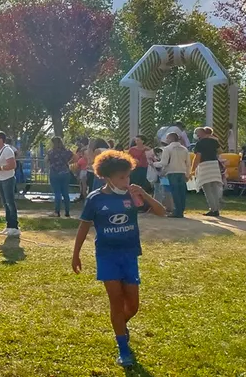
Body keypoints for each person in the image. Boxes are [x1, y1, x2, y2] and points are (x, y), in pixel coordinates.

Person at [72, 149, 167, 368]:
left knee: (132, 306)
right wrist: (75, 254)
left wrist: (145, 194)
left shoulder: (132, 195)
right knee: (115, 302)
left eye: (128, 176)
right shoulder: (96, 199)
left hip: (129, 254)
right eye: (121, 177)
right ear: (107, 177)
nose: (126, 181)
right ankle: (123, 348)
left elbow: (162, 212)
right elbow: (83, 226)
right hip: (107, 256)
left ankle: (120, 327)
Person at [190, 127, 223, 217]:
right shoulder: (214, 141)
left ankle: (213, 209)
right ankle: (217, 208)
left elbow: (197, 157)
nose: (196, 135)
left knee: (207, 188)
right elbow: (220, 151)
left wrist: (193, 169)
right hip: (214, 165)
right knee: (215, 188)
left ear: (200, 133)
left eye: (196, 133)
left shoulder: (199, 143)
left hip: (205, 166)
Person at [157, 132, 190, 218]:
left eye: (167, 138)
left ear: (171, 139)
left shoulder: (167, 149)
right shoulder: (184, 149)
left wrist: (154, 164)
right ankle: (181, 211)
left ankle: (177, 212)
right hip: (182, 172)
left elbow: (164, 163)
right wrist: (188, 174)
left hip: (172, 172)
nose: (166, 140)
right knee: (182, 193)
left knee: (175, 193)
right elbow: (188, 163)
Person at [47, 137, 74, 217]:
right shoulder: (67, 152)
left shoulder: (51, 152)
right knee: (65, 192)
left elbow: (46, 160)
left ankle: (57, 211)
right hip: (65, 172)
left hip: (54, 173)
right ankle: (67, 212)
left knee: (57, 193)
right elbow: (75, 157)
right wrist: (67, 162)